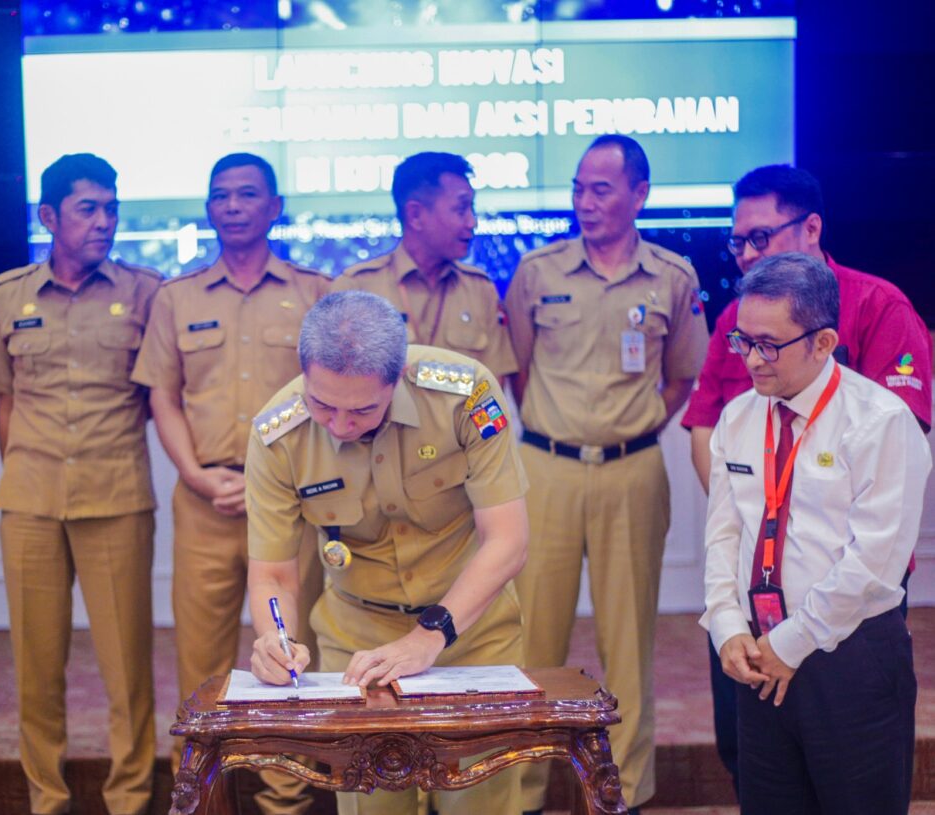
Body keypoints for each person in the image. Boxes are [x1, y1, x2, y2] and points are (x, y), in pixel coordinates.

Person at [681, 163, 932, 792]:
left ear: (823, 345)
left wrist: (792, 642)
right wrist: (728, 626)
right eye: (745, 343)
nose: (752, 359)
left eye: (769, 346)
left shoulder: (877, 415)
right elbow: (723, 532)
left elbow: (874, 556)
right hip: (756, 642)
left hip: (845, 645)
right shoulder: (743, 414)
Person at [245, 290, 529, 815]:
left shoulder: (465, 395)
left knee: (479, 803)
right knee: (373, 804)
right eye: (322, 404)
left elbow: (508, 541)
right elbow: (273, 574)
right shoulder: (276, 434)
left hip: (470, 635)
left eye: (362, 410)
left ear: (396, 378)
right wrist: (273, 637)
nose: (339, 425)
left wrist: (428, 639)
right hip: (357, 645)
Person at [504, 134, 709, 813]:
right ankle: (524, 790)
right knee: (534, 640)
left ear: (639, 194)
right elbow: (518, 369)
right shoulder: (539, 270)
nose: (585, 203)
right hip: (546, 469)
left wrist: (632, 423)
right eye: (577, 189)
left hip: (632, 471)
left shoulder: (672, 277)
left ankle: (619, 792)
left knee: (629, 642)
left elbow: (681, 377)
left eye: (601, 189)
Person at [132, 152, 329, 814]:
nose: (234, 205)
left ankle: (286, 801)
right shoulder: (176, 296)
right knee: (204, 663)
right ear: (209, 208)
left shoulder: (313, 291)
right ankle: (207, 799)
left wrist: (276, 479)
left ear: (275, 207)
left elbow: (333, 394)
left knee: (289, 654)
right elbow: (163, 394)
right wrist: (195, 473)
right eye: (221, 195)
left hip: (290, 504)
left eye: (249, 194)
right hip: (204, 501)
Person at [0, 153, 162, 815]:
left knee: (127, 670)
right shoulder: (7, 294)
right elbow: (6, 399)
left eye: (112, 208)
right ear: (49, 216)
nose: (105, 222)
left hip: (117, 501)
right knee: (35, 668)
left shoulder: (147, 291)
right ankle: (46, 800)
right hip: (29, 504)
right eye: (90, 209)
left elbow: (155, 397)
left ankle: (130, 799)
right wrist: (27, 470)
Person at [332, 151, 517, 381]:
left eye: (472, 209)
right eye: (461, 209)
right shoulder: (356, 289)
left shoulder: (480, 290)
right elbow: (335, 386)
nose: (472, 222)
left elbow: (492, 388)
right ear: (416, 215)